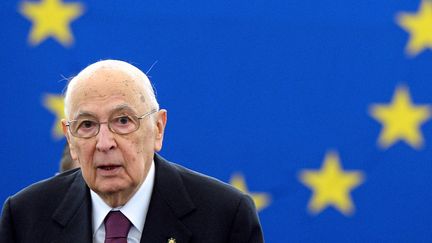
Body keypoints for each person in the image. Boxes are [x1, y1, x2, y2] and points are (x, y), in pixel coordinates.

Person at [0, 60, 264, 242]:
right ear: (70, 138)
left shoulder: (225, 215)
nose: (104, 143)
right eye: (87, 125)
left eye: (123, 121)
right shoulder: (25, 216)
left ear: (158, 129)